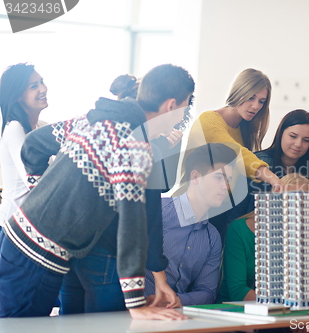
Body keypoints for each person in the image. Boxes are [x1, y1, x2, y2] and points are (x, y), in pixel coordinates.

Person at [0, 64, 194, 320]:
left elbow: (35, 145)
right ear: (171, 105)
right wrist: (135, 304)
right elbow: (131, 228)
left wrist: (41, 196)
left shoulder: (94, 118)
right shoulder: (134, 146)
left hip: (23, 244)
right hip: (37, 257)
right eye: (185, 105)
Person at [57, 71, 193, 315]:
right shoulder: (140, 145)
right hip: (108, 253)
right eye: (183, 109)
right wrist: (159, 278)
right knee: (109, 327)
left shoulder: (107, 130)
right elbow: (148, 215)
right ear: (168, 107)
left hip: (73, 247)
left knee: (70, 323)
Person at [181, 68, 283, 239]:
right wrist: (273, 179)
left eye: (261, 101)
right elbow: (237, 153)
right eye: (251, 97)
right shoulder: (209, 120)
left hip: (220, 209)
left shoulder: (244, 129)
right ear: (239, 91)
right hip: (192, 209)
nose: (256, 106)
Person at [144, 143, 237, 307]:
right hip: (131, 312)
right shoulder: (157, 212)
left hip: (175, 318)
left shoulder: (212, 237)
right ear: (195, 177)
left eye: (228, 180)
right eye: (218, 177)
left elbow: (207, 292)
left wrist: (177, 301)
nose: (226, 186)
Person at [218, 173, 309, 302]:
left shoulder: (308, 235)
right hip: (237, 311)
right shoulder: (240, 229)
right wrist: (287, 303)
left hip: (287, 310)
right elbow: (238, 292)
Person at [0, 63, 48, 232]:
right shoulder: (14, 128)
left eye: (42, 82)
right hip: (10, 226)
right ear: (18, 96)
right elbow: (32, 180)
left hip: (29, 223)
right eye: (34, 86)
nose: (43, 88)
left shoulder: (41, 127)